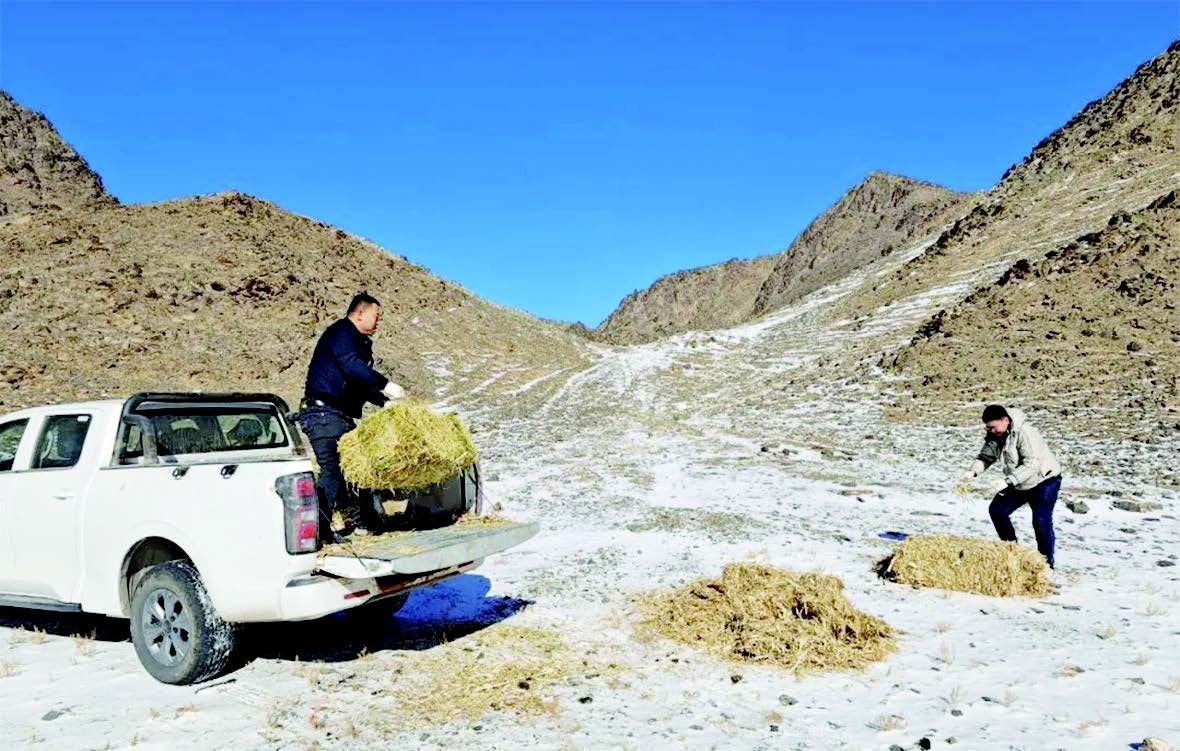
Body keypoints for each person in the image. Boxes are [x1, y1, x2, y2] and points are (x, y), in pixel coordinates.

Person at [298, 292, 405, 540]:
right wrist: (385, 384)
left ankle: (364, 523)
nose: (378, 320)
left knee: (358, 468)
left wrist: (384, 402)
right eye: (376, 315)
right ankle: (318, 533)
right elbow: (351, 365)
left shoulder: (358, 342)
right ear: (359, 313)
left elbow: (358, 383)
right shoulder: (341, 333)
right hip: (322, 414)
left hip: (340, 416)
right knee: (332, 471)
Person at [959, 404, 1063, 568]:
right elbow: (986, 457)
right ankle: (1012, 551)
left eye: (993, 427)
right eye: (988, 428)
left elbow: (1032, 464)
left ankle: (1045, 565)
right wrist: (972, 472)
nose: (991, 431)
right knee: (997, 510)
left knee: (1041, 522)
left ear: (1005, 420)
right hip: (1019, 481)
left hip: (1044, 480)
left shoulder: (1024, 433)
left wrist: (1007, 481)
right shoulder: (995, 435)